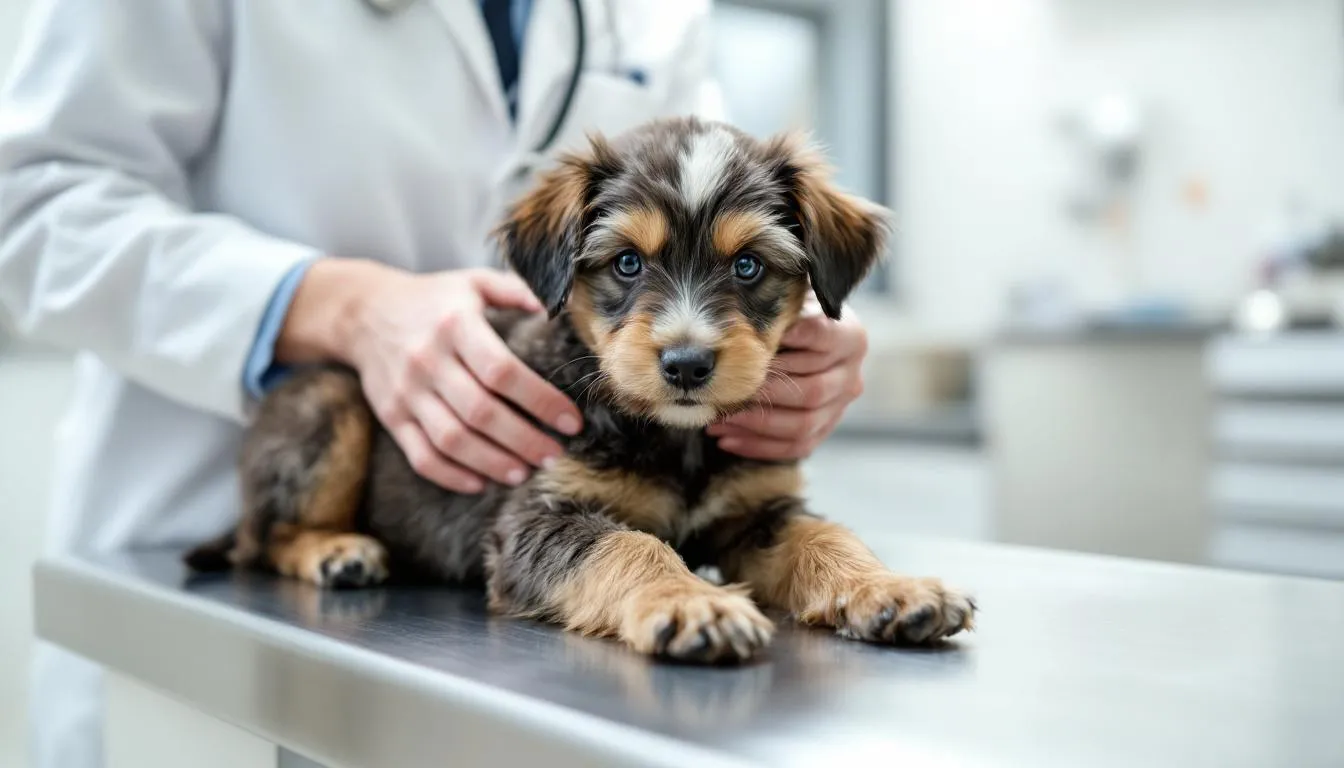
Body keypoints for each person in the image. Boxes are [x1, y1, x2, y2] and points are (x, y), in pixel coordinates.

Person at [0, 0, 871, 765]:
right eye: (633, 266)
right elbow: (35, 200)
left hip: (531, 681)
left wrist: (814, 331)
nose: (685, 326)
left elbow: (716, 174)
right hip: (200, 541)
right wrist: (340, 306)